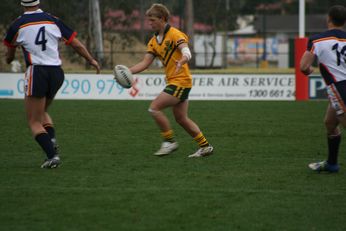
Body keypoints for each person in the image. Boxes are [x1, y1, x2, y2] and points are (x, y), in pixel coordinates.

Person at [3, 0, 100, 168]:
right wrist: (91, 60)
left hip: (37, 71)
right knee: (42, 113)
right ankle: (51, 139)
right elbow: (75, 43)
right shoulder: (52, 19)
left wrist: (9, 58)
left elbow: (9, 54)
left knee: (33, 121)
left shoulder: (17, 25)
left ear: (22, 4)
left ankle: (52, 156)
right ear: (38, 2)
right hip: (56, 72)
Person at [129, 3, 213, 158]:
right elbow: (145, 63)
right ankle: (205, 146)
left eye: (153, 20)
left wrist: (182, 61)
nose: (150, 23)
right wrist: (128, 71)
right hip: (174, 81)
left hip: (181, 81)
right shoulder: (153, 41)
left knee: (154, 108)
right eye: (149, 20)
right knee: (181, 119)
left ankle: (169, 142)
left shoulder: (175, 34)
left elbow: (187, 52)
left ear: (163, 19)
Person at [300, 5, 346, 173]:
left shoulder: (317, 40)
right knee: (330, 123)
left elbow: (303, 66)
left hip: (340, 87)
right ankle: (332, 164)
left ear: (329, 19)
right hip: (340, 87)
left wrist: (309, 70)